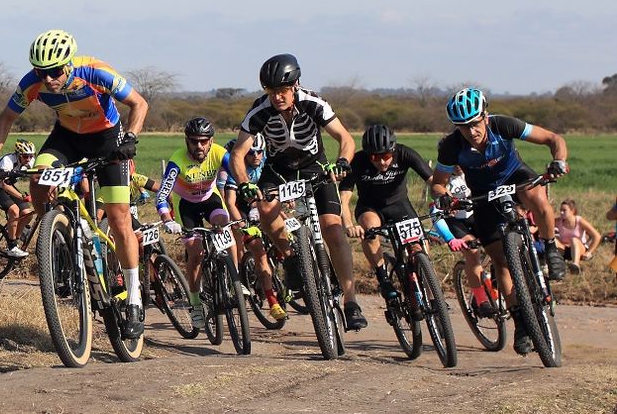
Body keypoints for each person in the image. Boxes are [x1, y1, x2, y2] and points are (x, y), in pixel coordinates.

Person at [0, 30, 149, 326]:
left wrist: (131, 138)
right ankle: (55, 235)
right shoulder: (31, 84)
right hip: (67, 138)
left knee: (119, 218)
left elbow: (139, 104)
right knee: (39, 177)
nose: (48, 79)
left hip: (108, 139)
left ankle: (134, 294)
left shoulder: (96, 72)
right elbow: (5, 119)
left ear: (68, 64)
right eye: (41, 72)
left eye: (54, 72)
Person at [229, 54, 366, 331]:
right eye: (271, 92)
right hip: (278, 170)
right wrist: (244, 182)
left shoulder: (313, 103)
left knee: (333, 228)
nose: (277, 97)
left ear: (295, 85)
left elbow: (346, 139)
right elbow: (238, 154)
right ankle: (291, 257)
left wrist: (341, 163)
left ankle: (351, 303)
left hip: (315, 168)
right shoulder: (259, 110)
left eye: (282, 91)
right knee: (264, 209)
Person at [428, 87, 569, 355]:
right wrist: (443, 196)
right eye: (462, 127)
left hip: (515, 177)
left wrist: (559, 161)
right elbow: (438, 184)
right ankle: (520, 322)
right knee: (501, 261)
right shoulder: (451, 146)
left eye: (474, 123)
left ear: (485, 115)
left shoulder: (504, 125)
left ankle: (551, 249)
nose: (471, 131)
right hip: (483, 194)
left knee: (537, 197)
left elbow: (553, 138)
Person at [340, 124, 435, 316]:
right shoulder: (358, 161)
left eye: (386, 156)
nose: (382, 162)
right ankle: (383, 278)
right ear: (368, 155)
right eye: (375, 157)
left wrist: (444, 198)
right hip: (370, 207)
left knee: (420, 246)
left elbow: (432, 180)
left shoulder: (405, 154)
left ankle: (434, 296)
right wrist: (348, 224)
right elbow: (344, 197)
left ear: (393, 151)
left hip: (399, 205)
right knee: (369, 228)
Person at [155, 117, 235, 329]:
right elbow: (162, 195)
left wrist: (252, 199)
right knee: (196, 252)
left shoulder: (219, 153)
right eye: (193, 141)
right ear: (186, 141)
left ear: (211, 141)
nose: (198, 146)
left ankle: (227, 276)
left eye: (203, 141)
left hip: (211, 199)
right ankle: (196, 303)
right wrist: (167, 219)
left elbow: (239, 175)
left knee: (222, 224)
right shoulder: (177, 161)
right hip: (186, 206)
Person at [220, 137, 285, 322]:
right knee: (259, 251)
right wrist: (242, 226)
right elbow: (230, 203)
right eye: (251, 153)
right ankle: (272, 302)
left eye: (259, 152)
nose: (256, 156)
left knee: (283, 231)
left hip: (258, 205)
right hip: (240, 209)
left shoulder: (266, 163)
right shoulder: (236, 169)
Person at [0, 139, 38, 257]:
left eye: (30, 156)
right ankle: (11, 247)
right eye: (25, 156)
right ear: (18, 155)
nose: (28, 159)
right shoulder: (7, 161)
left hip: (9, 187)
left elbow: (37, 178)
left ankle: (14, 239)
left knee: (28, 213)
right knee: (14, 211)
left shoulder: (31, 161)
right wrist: (22, 196)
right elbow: (5, 185)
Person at [553, 200, 599, 272]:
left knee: (573, 239)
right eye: (560, 210)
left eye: (564, 210)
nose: (561, 212)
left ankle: (575, 264)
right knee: (554, 240)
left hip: (579, 249)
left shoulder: (579, 221)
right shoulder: (558, 221)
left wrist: (589, 252)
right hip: (564, 249)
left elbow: (597, 236)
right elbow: (546, 225)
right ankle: (557, 262)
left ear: (572, 211)